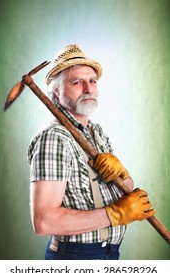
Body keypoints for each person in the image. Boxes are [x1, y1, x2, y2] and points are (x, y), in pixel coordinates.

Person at [27, 44, 156, 260]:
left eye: (92, 81)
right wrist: (115, 214)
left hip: (109, 254)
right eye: (77, 82)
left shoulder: (95, 132)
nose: (88, 88)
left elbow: (122, 191)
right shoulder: (53, 138)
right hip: (76, 258)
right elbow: (44, 221)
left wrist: (123, 175)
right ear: (56, 92)